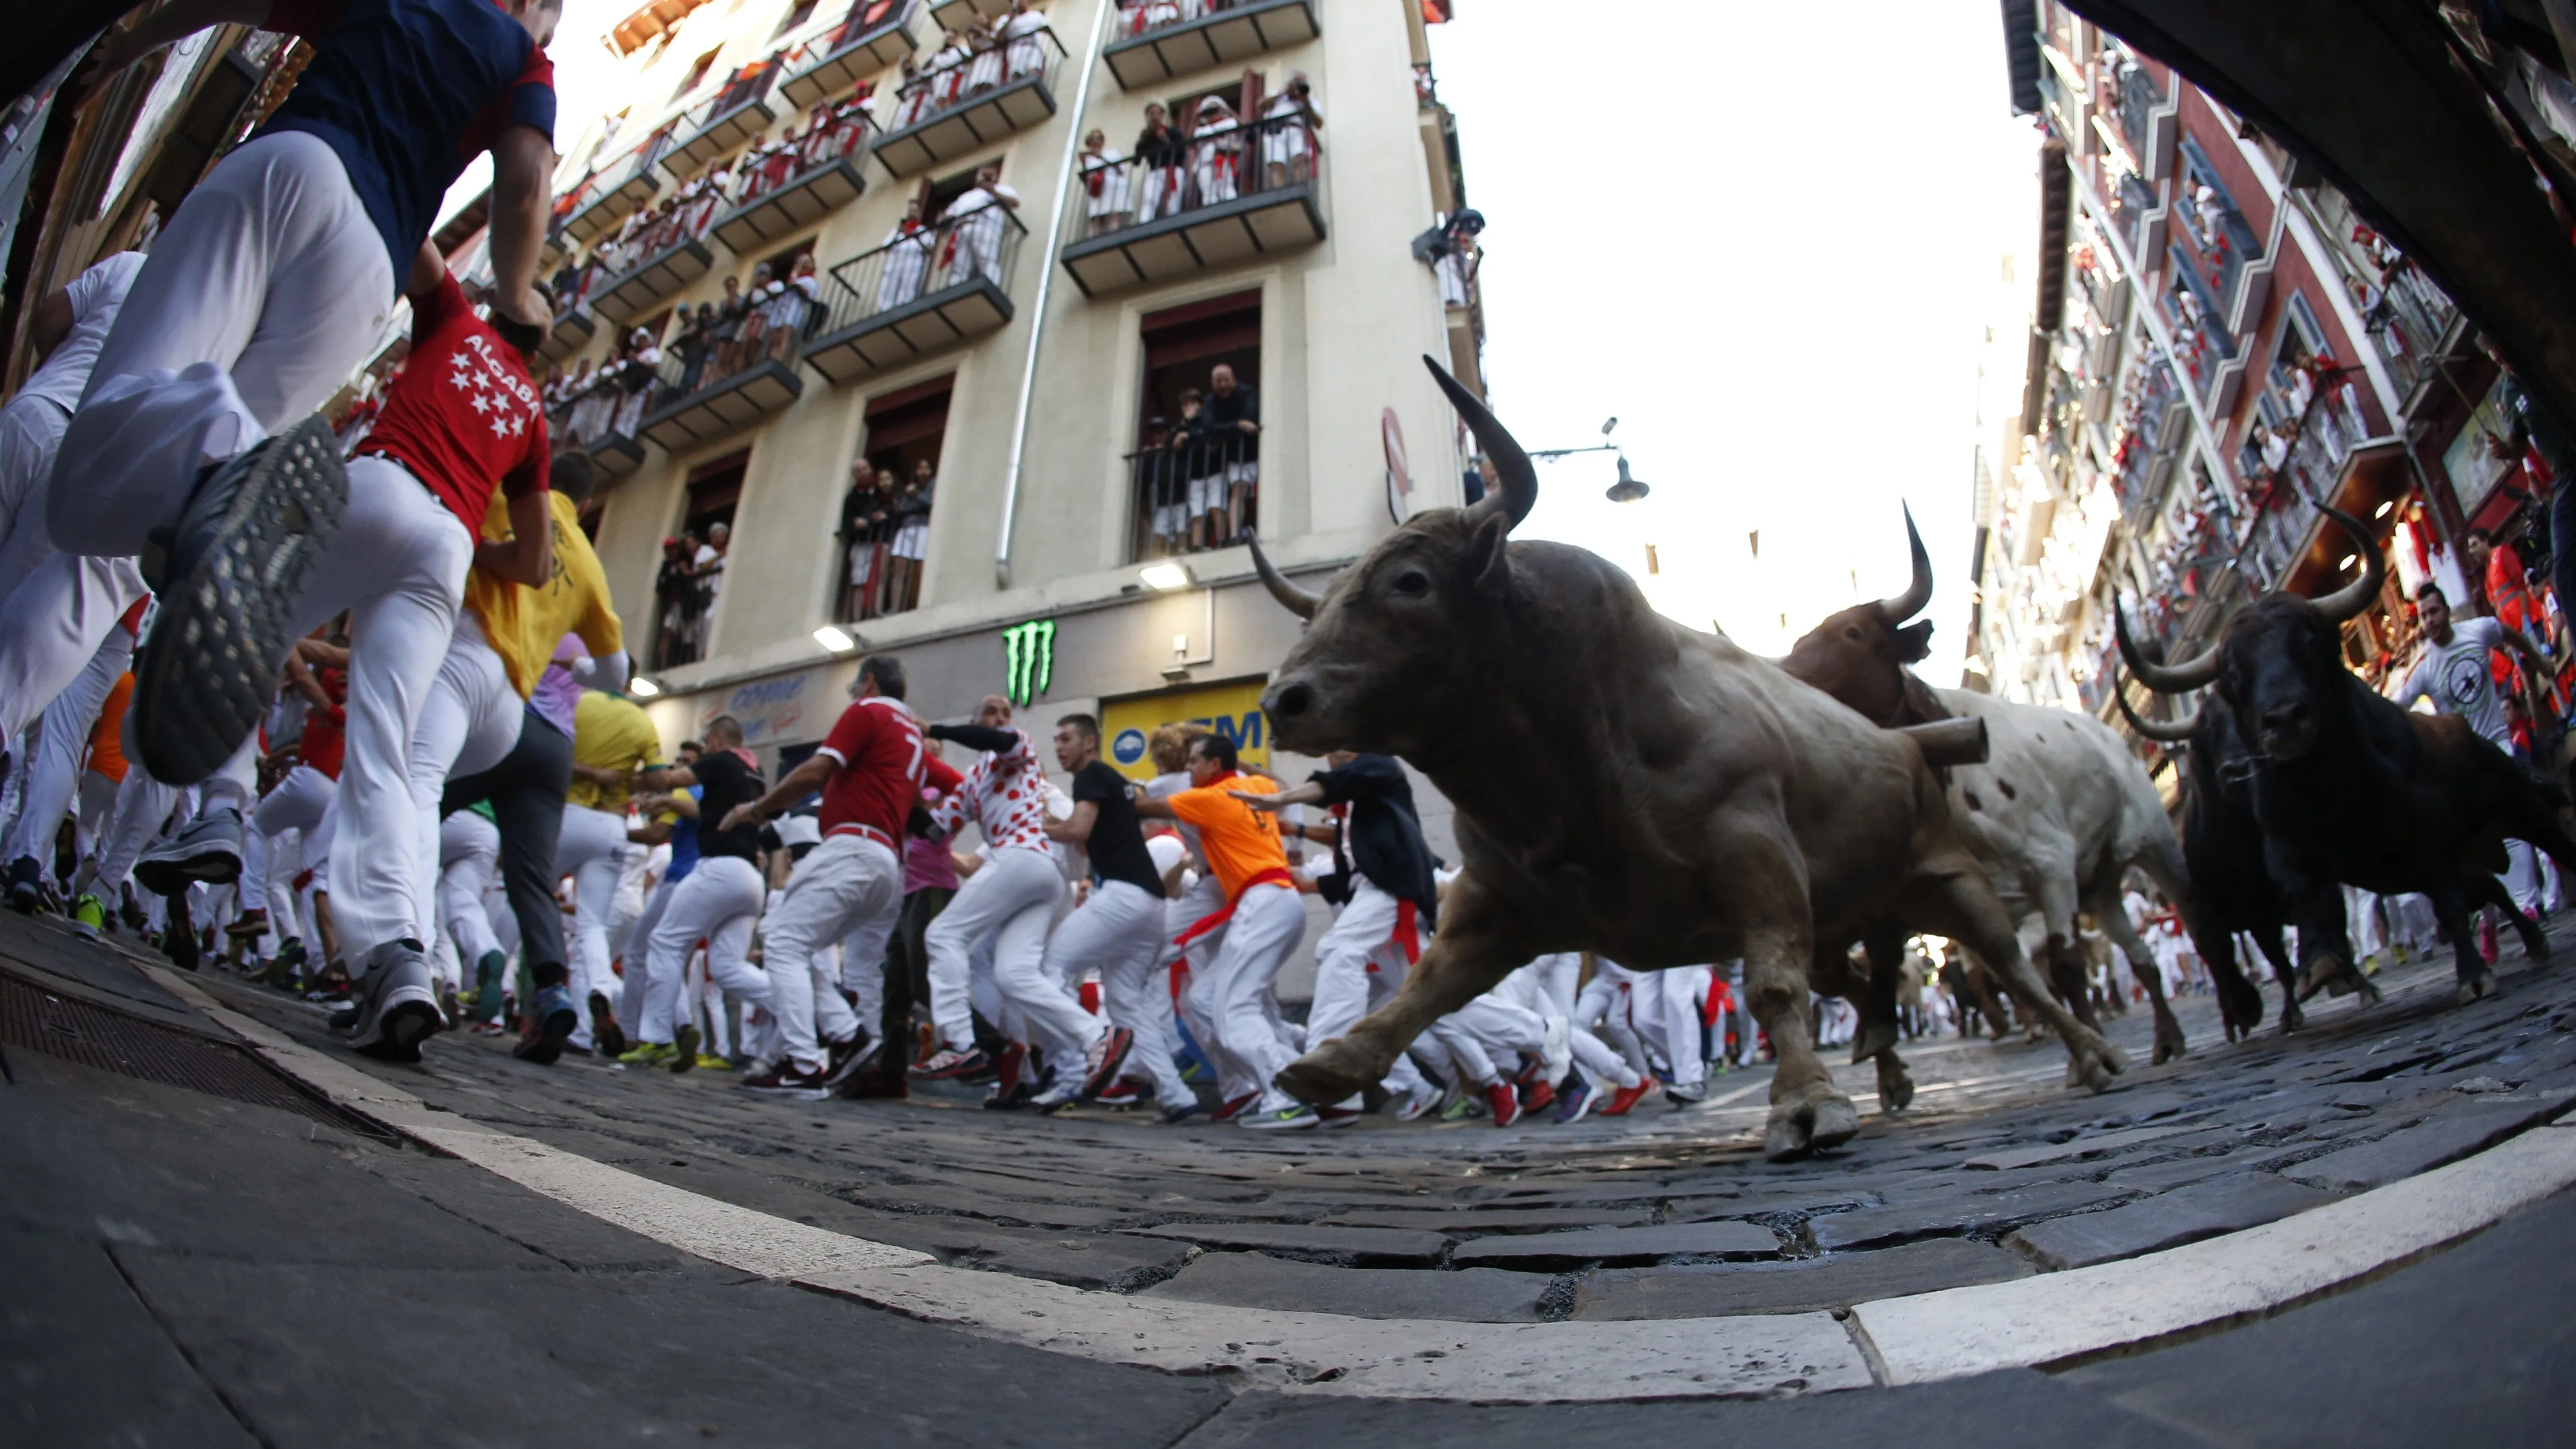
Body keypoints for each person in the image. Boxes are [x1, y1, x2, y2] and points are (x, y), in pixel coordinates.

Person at [53, 0, 561, 802]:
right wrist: (523, 284)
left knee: (88, 473)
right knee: (99, 528)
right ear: (531, 9)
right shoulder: (523, 61)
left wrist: (119, 47)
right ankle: (223, 474)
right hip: (364, 265)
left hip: (291, 163)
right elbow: (527, 177)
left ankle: (217, 463)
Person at [719, 655, 946, 1096]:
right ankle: (849, 1036)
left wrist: (756, 810)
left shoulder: (868, 710)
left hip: (852, 849)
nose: (853, 695)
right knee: (802, 946)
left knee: (783, 942)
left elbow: (818, 769)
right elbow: (936, 794)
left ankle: (804, 1062)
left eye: (854, 687)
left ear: (869, 683)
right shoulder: (916, 741)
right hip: (885, 864)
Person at [912, 697, 1125, 1110]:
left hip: (1025, 858)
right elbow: (935, 831)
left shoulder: (1019, 749)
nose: (999, 720)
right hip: (1038, 874)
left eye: (1005, 714)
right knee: (1014, 975)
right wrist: (901, 795)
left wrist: (932, 730)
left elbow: (994, 739)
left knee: (943, 934)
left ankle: (958, 1041)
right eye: (989, 713)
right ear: (976, 720)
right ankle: (1097, 1037)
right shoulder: (973, 780)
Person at [1232, 751, 1440, 1125]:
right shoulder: (1356, 808)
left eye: (1334, 748)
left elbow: (1339, 782)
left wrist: (1282, 799)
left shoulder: (1380, 764)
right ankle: (1540, 1033)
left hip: (1392, 888)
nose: (1329, 756)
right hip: (1377, 891)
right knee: (1435, 991)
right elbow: (1345, 874)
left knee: (1339, 950)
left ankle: (1319, 1076)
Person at [1133, 732, 1310, 1128]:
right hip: (1282, 901)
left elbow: (1146, 807)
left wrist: (1115, 794)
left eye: (1194, 762)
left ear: (1214, 765)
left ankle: (1288, 1094)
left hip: (1262, 901)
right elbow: (1277, 785)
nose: (1187, 769)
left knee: (1234, 1009)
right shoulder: (1256, 786)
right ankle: (1292, 1077)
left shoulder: (1207, 798)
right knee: (1205, 997)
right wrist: (1241, 765)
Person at [2391, 582, 2556, 917]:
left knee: (2516, 819)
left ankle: (2529, 903)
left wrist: (2538, 661)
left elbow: (2510, 634)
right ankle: (2500, 911)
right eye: (2424, 617)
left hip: (2499, 744)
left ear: (2448, 610)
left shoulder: (2477, 631)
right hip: (2464, 762)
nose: (2430, 621)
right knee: (2479, 839)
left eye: (2434, 612)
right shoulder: (2423, 667)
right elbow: (2396, 708)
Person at [1040, 714, 1173, 1110]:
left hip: (1123, 895)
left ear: (1089, 743)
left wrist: (1036, 825)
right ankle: (1176, 1093)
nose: (1060, 747)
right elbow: (1088, 841)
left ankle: (1082, 1059)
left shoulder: (1089, 776)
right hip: (1151, 904)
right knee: (1126, 1000)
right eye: (1056, 739)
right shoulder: (1114, 779)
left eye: (1066, 738)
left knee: (1050, 969)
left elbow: (1078, 831)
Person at [628, 716, 766, 1067]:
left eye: (706, 745)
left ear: (717, 740)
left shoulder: (723, 761)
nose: (704, 752)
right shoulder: (753, 772)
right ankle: (805, 1008)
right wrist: (670, 803)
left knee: (664, 942)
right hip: (750, 876)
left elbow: (670, 780)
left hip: (719, 867)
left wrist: (646, 760)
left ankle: (658, 1038)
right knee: (728, 968)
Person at [1204, 362, 1259, 542]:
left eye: (1226, 380)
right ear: (1213, 383)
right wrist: (1237, 425)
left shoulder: (1247, 393)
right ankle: (1235, 535)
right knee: (1238, 492)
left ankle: (1259, 530)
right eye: (1218, 381)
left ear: (1233, 380)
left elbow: (1251, 417)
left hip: (1257, 452)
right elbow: (1209, 428)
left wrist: (1226, 429)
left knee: (1259, 496)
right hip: (1236, 457)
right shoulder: (1211, 401)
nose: (1222, 385)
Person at [943, 164, 1020, 288]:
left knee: (987, 259)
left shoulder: (1002, 189)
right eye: (984, 174)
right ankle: (955, 288)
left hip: (985, 227)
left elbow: (1015, 202)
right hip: (963, 229)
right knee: (960, 266)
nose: (987, 177)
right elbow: (949, 215)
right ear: (978, 178)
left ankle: (991, 286)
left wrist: (993, 191)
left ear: (996, 178)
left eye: (990, 175)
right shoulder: (966, 197)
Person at [1259, 72, 1321, 188]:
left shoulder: (1310, 99)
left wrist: (1305, 101)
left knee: (1300, 159)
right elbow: (1261, 104)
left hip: (1297, 130)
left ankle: (1299, 187)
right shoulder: (1279, 95)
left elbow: (1319, 123)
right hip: (1275, 131)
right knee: (1277, 165)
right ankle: (1279, 191)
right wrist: (1284, 92)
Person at [1133, 103, 1186, 223]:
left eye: (1157, 113)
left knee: (1173, 200)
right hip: (1155, 172)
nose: (1154, 116)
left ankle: (1172, 223)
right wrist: (1141, 142)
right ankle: (1145, 224)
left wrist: (1166, 141)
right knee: (1150, 199)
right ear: (1147, 117)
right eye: (1151, 114)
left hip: (1173, 170)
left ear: (1162, 116)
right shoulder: (1146, 137)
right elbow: (1136, 162)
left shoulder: (1172, 132)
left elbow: (1182, 153)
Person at [1078, 129, 1130, 236]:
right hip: (1098, 189)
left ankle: (1113, 238)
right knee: (1097, 219)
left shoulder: (1112, 153)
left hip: (1113, 186)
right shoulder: (1088, 158)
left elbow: (1121, 170)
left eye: (1098, 139)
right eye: (1093, 140)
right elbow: (1087, 179)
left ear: (1102, 141)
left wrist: (1101, 157)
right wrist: (1083, 163)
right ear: (1089, 143)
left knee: (1114, 215)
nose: (1096, 142)